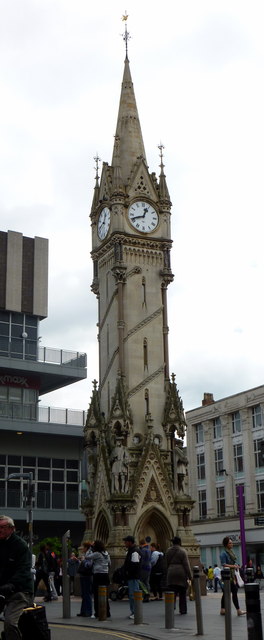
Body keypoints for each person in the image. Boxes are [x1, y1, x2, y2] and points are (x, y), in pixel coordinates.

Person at [0, 514, 33, 640]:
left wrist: (12, 584)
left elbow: (24, 569)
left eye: (3, 527)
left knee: (9, 622)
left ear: (12, 529)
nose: (0, 530)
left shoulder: (21, 546)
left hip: (19, 591)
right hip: (2, 588)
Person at [165, 536, 192, 615]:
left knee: (172, 591)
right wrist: (190, 576)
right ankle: (183, 609)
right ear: (180, 542)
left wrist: (168, 570)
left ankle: (170, 607)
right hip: (181, 573)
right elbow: (186, 565)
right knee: (182, 593)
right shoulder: (183, 551)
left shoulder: (168, 551)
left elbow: (166, 563)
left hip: (171, 572)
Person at [220, 536, 246, 616]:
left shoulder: (231, 552)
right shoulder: (223, 553)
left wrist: (235, 565)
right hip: (227, 575)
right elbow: (224, 564)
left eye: (232, 543)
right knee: (233, 591)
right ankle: (238, 610)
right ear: (226, 544)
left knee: (226, 593)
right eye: (230, 543)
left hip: (232, 574)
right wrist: (233, 566)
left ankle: (223, 609)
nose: (232, 544)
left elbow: (233, 561)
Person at [88, 540, 111, 619]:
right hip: (105, 575)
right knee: (104, 594)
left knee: (97, 594)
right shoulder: (107, 553)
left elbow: (87, 557)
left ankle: (98, 612)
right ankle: (107, 612)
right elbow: (109, 563)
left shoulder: (97, 554)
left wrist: (90, 548)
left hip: (98, 575)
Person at [123, 535, 141, 619]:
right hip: (131, 576)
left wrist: (128, 572)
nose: (124, 543)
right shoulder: (131, 551)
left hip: (133, 577)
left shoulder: (134, 551)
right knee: (132, 594)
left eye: (126, 542)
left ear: (130, 542)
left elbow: (135, 565)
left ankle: (135, 612)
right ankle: (133, 611)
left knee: (133, 594)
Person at [77, 541, 93, 617]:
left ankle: (88, 611)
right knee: (84, 594)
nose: (82, 548)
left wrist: (83, 560)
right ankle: (83, 611)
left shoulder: (89, 554)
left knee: (87, 594)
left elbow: (89, 564)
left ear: (86, 547)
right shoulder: (86, 554)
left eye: (83, 547)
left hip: (87, 575)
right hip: (84, 575)